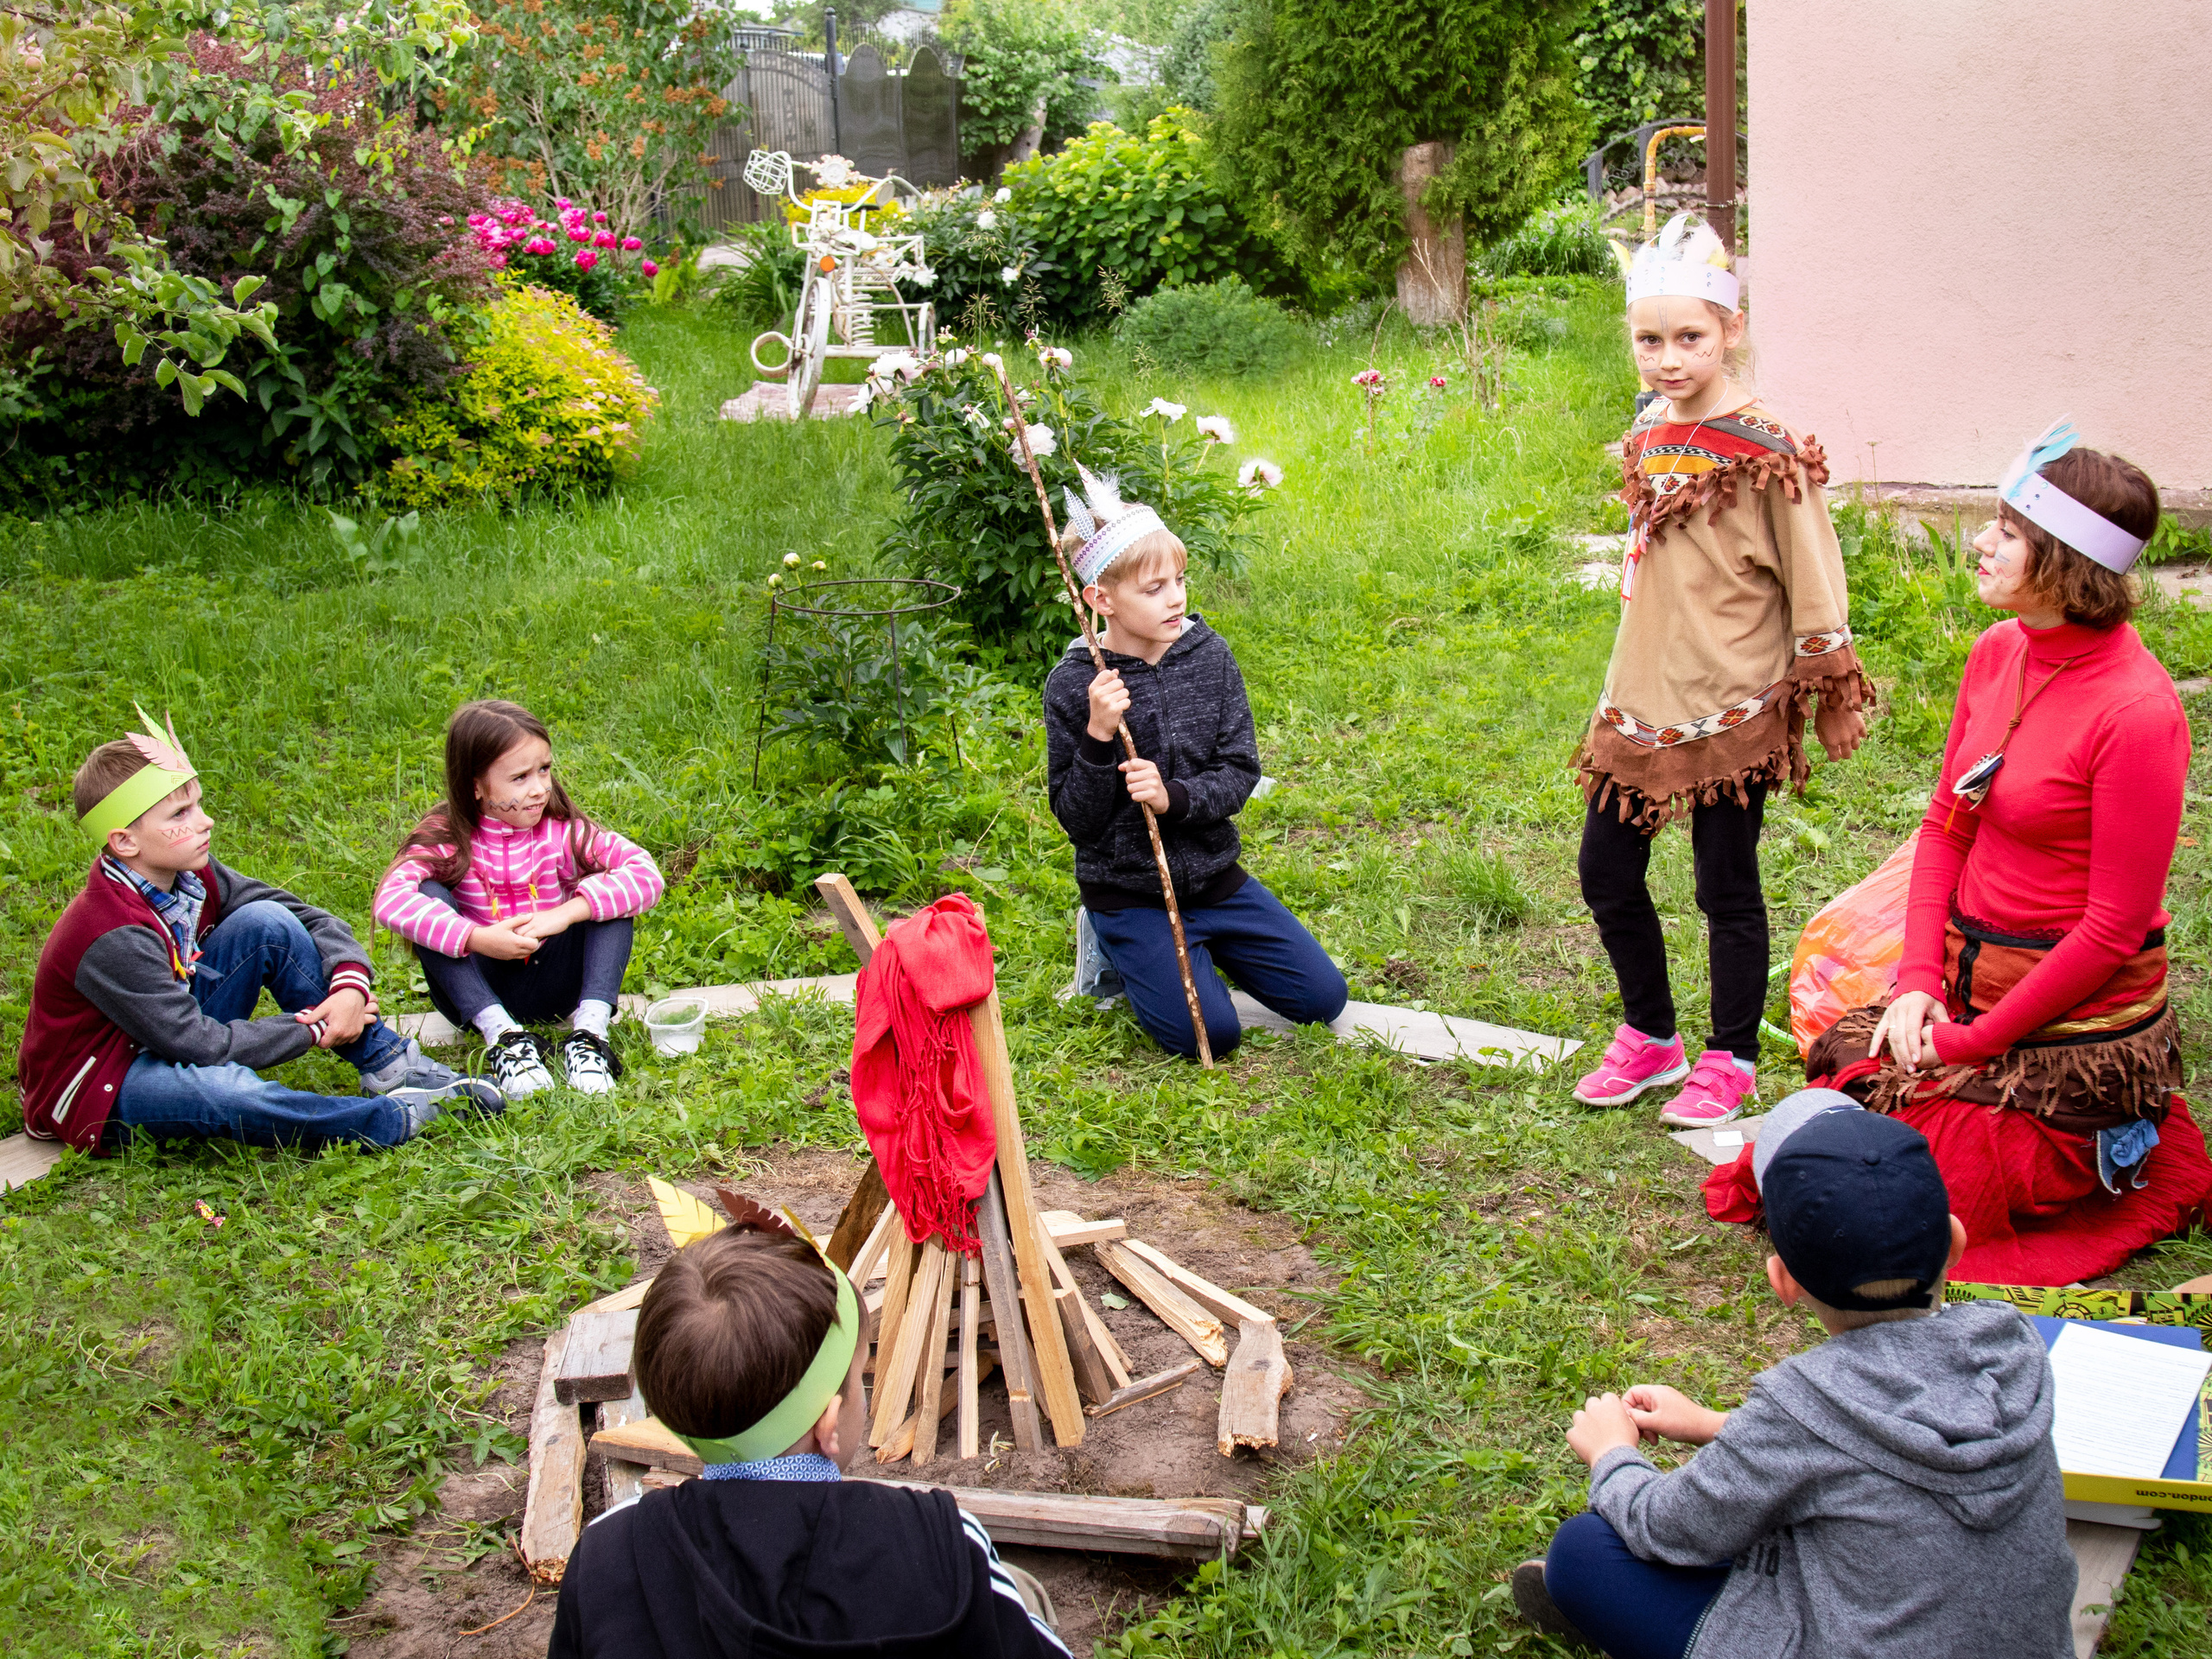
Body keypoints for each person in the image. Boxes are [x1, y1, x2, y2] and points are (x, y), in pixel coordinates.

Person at [1789, 425, 2212, 1284]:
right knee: (1829, 1114)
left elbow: (2112, 926)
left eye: (2008, 530)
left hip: (2062, 1029)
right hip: (1963, 989)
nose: (1980, 541)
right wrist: (1913, 984)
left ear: (2064, 564)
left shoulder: (2136, 714)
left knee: (1901, 1188)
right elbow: (1947, 823)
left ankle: (2110, 1144)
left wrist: (1970, 1044)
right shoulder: (1997, 653)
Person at [1515, 1090, 2075, 1659]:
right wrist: (1717, 1425)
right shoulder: (2013, 1345)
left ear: (1782, 1282)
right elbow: (1869, 1449)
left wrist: (1612, 1455)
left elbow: (1666, 1527)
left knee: (1582, 1552)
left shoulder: (1799, 1408)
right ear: (1955, 1242)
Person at [1574, 213, 1871, 1128]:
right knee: (1605, 873)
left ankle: (1731, 1056)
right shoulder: (1651, 437)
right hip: (1638, 696)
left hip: (1730, 702)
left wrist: (1827, 691)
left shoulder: (1768, 446)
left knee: (1722, 885)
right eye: (1649, 340)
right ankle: (1651, 1036)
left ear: (1729, 332)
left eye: (1689, 338)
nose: (1668, 359)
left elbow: (1812, 574)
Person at [549, 1219, 1071, 1659]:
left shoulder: (607, 1557)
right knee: (1023, 1592)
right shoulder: (941, 1545)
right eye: (858, 1378)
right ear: (828, 1422)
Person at [17, 709, 501, 1153]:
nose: (205, 822)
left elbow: (306, 916)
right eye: (179, 815)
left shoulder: (191, 874)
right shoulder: (110, 932)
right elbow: (196, 1044)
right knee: (225, 1091)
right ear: (123, 841)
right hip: (102, 1082)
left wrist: (350, 987)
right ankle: (388, 1119)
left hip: (164, 1029)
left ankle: (388, 1064)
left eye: (198, 804)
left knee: (265, 921)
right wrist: (315, 1027)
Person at [1043, 467, 1347, 1060]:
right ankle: (1115, 950)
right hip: (1129, 892)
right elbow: (1076, 820)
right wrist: (1098, 736)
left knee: (1321, 999)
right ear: (1101, 599)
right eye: (1153, 588)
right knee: (1212, 1034)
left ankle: (1202, 950)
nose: (1176, 598)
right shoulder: (1076, 683)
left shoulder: (1209, 656)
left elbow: (1240, 770)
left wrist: (1174, 799)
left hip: (1214, 880)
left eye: (1179, 580)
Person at [375, 699, 663, 1099]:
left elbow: (646, 873)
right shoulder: (448, 835)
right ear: (475, 785)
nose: (540, 788)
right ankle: (505, 1041)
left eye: (544, 769)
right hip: (477, 990)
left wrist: (565, 913)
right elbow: (389, 900)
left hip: (556, 985)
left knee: (609, 893)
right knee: (427, 895)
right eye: (520, 777)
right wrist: (476, 938)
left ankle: (590, 1037)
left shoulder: (561, 830)